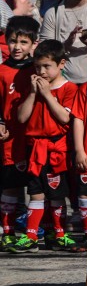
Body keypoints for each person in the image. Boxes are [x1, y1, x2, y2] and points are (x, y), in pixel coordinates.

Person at [10, 40, 83, 252]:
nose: (41, 71)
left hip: (56, 150)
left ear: (61, 64)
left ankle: (59, 233)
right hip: (35, 149)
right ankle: (31, 235)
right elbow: (22, 117)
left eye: (46, 66)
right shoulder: (30, 87)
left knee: (57, 194)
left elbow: (64, 118)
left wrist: (48, 95)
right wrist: (33, 93)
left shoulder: (68, 89)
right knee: (36, 193)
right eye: (37, 66)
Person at [0, 16, 39, 251]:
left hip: (35, 137)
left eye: (24, 42)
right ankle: (8, 232)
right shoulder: (2, 71)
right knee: (11, 186)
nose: (17, 47)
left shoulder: (38, 68)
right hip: (10, 139)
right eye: (13, 41)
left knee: (38, 187)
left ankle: (36, 232)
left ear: (33, 44)